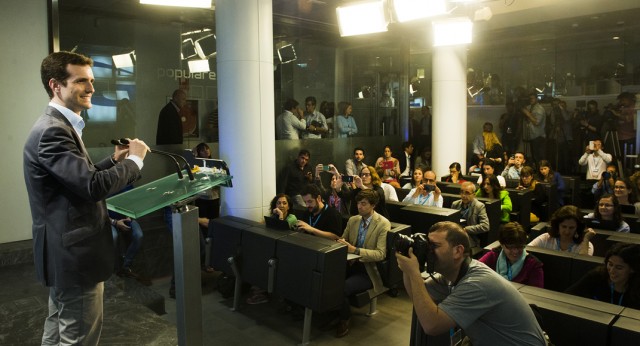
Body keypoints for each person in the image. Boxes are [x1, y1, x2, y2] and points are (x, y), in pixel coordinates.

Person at [24, 51, 148, 345]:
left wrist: (114, 162)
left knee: (57, 329)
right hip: (75, 255)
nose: (92, 88)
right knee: (78, 336)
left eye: (91, 80)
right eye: (81, 81)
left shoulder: (58, 126)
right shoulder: (53, 131)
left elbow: (75, 182)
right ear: (56, 85)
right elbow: (92, 187)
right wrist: (135, 161)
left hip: (65, 252)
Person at [396, 221, 546, 345]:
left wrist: (414, 273)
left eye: (434, 246)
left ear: (458, 251)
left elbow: (432, 325)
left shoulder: (476, 283)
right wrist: (409, 265)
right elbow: (419, 296)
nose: (428, 251)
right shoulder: (454, 274)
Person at [335, 189, 390, 337]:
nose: (359, 207)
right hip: (350, 264)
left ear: (373, 205)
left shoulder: (383, 224)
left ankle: (344, 319)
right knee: (328, 280)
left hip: (368, 270)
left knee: (342, 288)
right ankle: (335, 313)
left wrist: (356, 250)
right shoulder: (353, 220)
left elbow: (380, 254)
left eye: (364, 204)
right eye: (358, 203)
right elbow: (342, 239)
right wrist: (341, 243)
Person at [566, 242, 640, 309]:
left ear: (632, 269)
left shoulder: (637, 289)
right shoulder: (596, 276)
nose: (612, 270)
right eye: (610, 264)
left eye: (619, 267)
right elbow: (568, 296)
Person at [479, 222, 544, 288]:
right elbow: (475, 269)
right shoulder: (493, 256)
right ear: (502, 244)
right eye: (510, 247)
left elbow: (537, 293)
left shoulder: (534, 265)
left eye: (519, 247)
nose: (515, 251)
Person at [528, 205, 595, 255]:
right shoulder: (545, 238)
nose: (567, 231)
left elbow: (584, 265)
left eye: (571, 228)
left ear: (578, 227)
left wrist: (585, 239)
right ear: (557, 225)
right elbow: (526, 252)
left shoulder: (586, 245)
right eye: (564, 226)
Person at [451, 181, 490, 248]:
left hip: (470, 238)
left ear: (474, 195)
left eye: (467, 193)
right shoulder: (455, 204)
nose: (463, 195)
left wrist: (466, 229)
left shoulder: (479, 206)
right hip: (455, 234)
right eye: (462, 192)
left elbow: (485, 226)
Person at [522, 93, 546, 165]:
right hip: (532, 136)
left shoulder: (539, 109)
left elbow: (536, 122)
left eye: (532, 98)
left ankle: (541, 173)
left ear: (536, 99)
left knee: (539, 157)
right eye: (529, 98)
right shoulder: (530, 107)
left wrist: (527, 114)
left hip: (538, 136)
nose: (531, 100)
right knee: (534, 157)